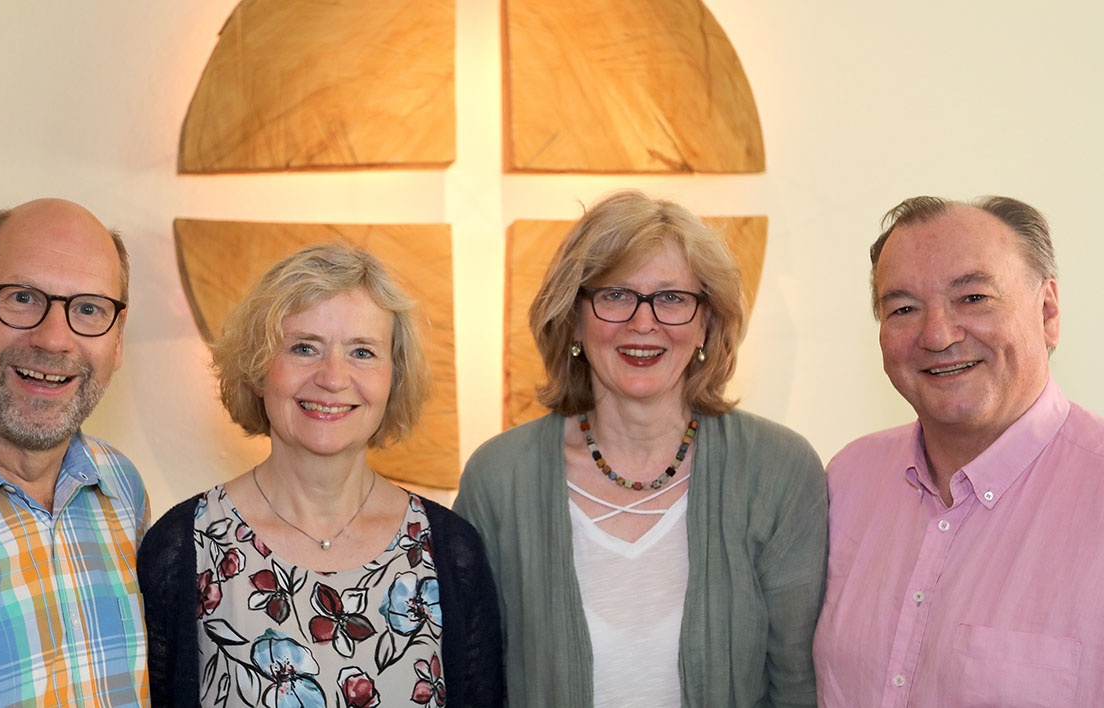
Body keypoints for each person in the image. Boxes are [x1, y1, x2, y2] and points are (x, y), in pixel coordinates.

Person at [456, 190, 828, 707]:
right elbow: (474, 684)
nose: (643, 323)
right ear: (574, 318)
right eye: (615, 295)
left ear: (706, 323)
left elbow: (796, 686)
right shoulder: (499, 478)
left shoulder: (778, 471)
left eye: (672, 298)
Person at [138, 243, 503, 707]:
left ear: (395, 378)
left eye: (363, 352)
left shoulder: (451, 553)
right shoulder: (182, 548)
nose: (333, 378)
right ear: (258, 368)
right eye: (304, 348)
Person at [813, 195, 1104, 706]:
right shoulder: (846, 481)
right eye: (903, 308)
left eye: (973, 299)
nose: (938, 335)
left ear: (1048, 311)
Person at [0, 198, 148, 705]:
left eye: (88, 308)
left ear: (118, 339)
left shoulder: (123, 490)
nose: (54, 339)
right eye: (22, 297)